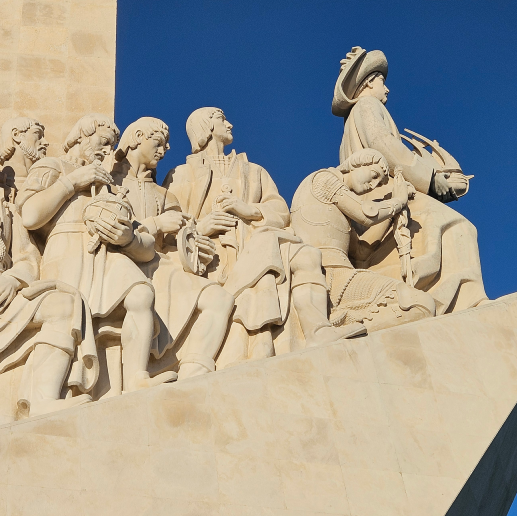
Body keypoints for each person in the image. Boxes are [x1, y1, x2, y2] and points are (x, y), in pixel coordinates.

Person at [163, 107, 365, 367]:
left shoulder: (254, 170)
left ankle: (318, 330)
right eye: (222, 119)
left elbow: (280, 211)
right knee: (269, 250)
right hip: (213, 257)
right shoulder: (180, 175)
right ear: (206, 127)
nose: (231, 124)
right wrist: (202, 226)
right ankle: (257, 347)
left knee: (306, 254)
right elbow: (168, 232)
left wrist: (249, 210)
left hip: (257, 240)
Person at [18, 113, 177, 395]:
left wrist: (128, 237)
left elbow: (138, 234)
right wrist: (72, 182)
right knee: (71, 317)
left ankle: (137, 376)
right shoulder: (51, 166)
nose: (107, 150)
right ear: (81, 137)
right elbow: (30, 216)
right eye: (103, 141)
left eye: (111, 144)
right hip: (67, 250)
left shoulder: (107, 182)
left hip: (107, 253)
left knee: (141, 293)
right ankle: (51, 393)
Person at [0, 120, 96, 420]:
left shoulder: (3, 202)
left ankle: (42, 400)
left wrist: (13, 279)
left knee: (65, 304)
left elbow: (28, 258)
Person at [331, 47, 487, 313]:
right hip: (383, 192)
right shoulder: (367, 106)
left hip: (381, 192)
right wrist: (433, 179)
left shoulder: (356, 117)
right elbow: (385, 146)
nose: (387, 89)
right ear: (369, 81)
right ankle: (468, 301)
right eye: (382, 81)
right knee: (458, 226)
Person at [111, 117, 235, 379]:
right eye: (157, 143)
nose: (163, 150)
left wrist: (197, 239)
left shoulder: (165, 195)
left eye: (166, 146)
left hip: (159, 267)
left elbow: (173, 244)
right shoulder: (110, 185)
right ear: (136, 138)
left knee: (219, 298)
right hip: (119, 264)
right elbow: (109, 230)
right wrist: (156, 223)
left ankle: (193, 373)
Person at [291, 149, 435, 332]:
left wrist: (393, 212)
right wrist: (398, 200)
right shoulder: (324, 179)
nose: (373, 185)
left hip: (342, 278)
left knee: (420, 305)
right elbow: (366, 213)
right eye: (374, 175)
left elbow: (361, 252)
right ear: (356, 164)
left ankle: (351, 330)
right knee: (421, 304)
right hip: (327, 276)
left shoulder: (342, 212)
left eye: (379, 183)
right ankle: (345, 331)